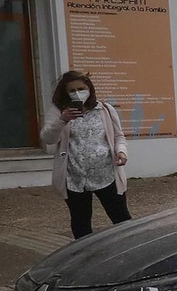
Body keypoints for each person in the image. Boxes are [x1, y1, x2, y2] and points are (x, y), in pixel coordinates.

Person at [39, 72, 131, 239]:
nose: (77, 93)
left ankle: (130, 248)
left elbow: (119, 136)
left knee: (121, 218)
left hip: (106, 174)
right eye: (72, 90)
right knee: (81, 222)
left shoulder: (105, 110)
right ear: (65, 92)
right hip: (75, 177)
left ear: (90, 89)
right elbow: (48, 139)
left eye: (81, 88)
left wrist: (121, 151)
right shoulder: (58, 111)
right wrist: (62, 120)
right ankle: (84, 255)